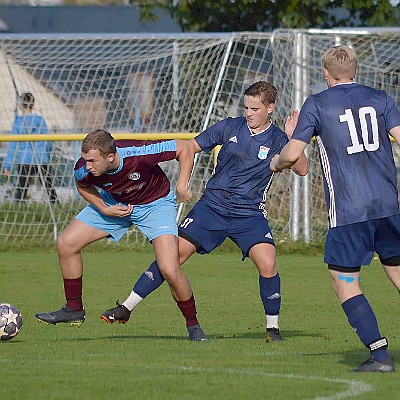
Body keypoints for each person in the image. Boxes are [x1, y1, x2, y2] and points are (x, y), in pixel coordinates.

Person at [101, 81, 308, 342]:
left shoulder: (279, 139)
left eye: (255, 108)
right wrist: (180, 182)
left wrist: (293, 138)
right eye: (246, 107)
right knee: (172, 259)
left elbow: (302, 169)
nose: (249, 113)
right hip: (212, 207)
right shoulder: (229, 126)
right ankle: (126, 308)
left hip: (249, 213)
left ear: (270, 108)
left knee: (268, 263)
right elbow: (189, 148)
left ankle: (272, 329)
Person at [270, 45, 400, 372]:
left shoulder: (317, 103)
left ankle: (380, 354)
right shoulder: (381, 98)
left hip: (349, 211)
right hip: (388, 206)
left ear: (325, 73)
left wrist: (277, 158)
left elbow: (292, 154)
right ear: (355, 71)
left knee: (343, 279)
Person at [35, 129, 208, 341]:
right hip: (113, 202)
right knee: (66, 244)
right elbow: (82, 185)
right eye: (85, 160)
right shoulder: (83, 168)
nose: (87, 165)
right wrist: (104, 208)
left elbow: (185, 147)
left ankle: (193, 326)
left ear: (110, 157)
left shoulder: (139, 152)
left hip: (155, 205)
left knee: (170, 269)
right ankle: (74, 309)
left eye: (92, 161)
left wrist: (182, 186)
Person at [3, 92, 58, 203]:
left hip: (25, 159)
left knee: (22, 189)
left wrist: (7, 165)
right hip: (41, 158)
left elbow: (12, 145)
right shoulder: (40, 120)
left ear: (20, 105)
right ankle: (55, 206)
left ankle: (19, 207)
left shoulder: (18, 122)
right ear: (33, 104)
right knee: (49, 187)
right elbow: (47, 141)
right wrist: (47, 155)